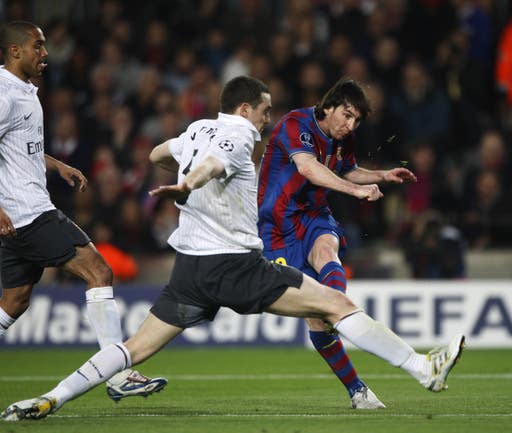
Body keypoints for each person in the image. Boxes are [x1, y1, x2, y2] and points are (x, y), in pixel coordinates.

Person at [1, 75, 465, 421]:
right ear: (245, 109)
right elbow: (215, 163)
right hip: (236, 266)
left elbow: (156, 154)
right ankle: (424, 368)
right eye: (264, 111)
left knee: (132, 350)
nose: (269, 120)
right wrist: (188, 183)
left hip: (190, 273)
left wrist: (180, 170)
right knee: (337, 304)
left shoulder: (198, 128)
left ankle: (50, 398)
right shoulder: (241, 134)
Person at [0, 21, 166, 402]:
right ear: (14, 51)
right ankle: (117, 374)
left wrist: (55, 164)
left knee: (15, 301)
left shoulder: (23, 91)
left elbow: (15, 147)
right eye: (37, 46)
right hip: (29, 213)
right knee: (99, 270)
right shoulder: (5, 94)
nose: (44, 54)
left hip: (22, 216)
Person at [257, 78, 419, 409]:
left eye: (356, 120)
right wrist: (357, 192)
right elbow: (309, 168)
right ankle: (357, 390)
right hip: (277, 228)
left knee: (327, 250)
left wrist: (381, 175)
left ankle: (340, 314)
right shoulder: (295, 124)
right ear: (327, 107)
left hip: (313, 215)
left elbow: (346, 170)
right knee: (315, 315)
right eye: (346, 115)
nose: (350, 125)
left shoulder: (342, 140)